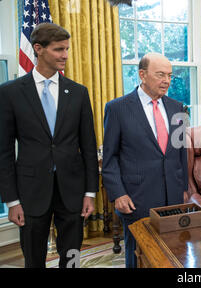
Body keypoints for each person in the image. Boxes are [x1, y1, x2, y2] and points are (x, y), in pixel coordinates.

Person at [0, 23, 99, 268]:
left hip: (72, 191)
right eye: (58, 49)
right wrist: (11, 201)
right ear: (38, 49)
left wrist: (90, 192)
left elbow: (88, 147)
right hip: (30, 192)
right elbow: (3, 152)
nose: (65, 55)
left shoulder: (78, 93)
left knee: (72, 259)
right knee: (33, 260)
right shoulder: (10, 93)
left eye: (66, 49)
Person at [102, 53, 188, 268]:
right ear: (142, 74)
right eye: (160, 75)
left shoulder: (178, 107)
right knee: (139, 255)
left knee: (172, 252)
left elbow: (180, 153)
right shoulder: (117, 108)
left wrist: (184, 188)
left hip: (173, 197)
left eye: (169, 75)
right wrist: (118, 194)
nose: (166, 80)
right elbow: (109, 157)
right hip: (136, 198)